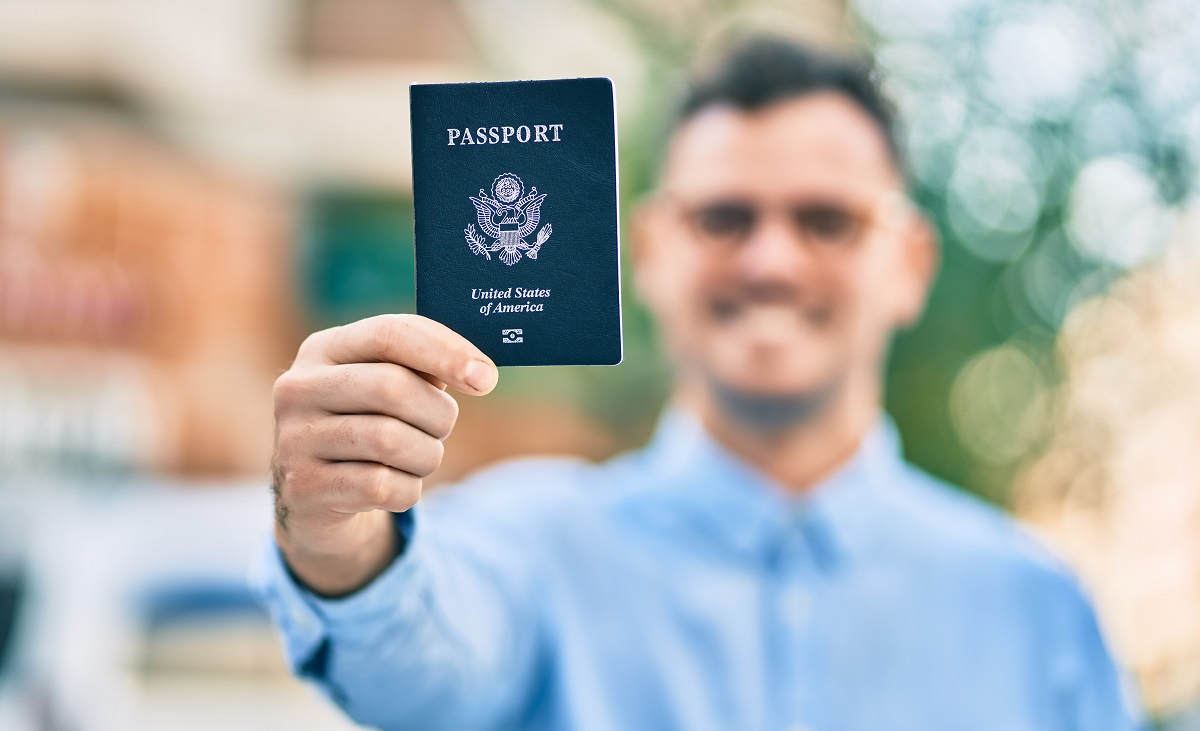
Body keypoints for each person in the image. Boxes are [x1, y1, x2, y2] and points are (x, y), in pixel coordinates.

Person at [255, 37, 1139, 730]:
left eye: (826, 219)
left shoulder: (1039, 608)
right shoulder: (527, 547)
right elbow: (412, 665)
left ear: (909, 263)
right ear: (647, 253)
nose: (770, 260)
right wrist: (336, 538)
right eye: (724, 216)